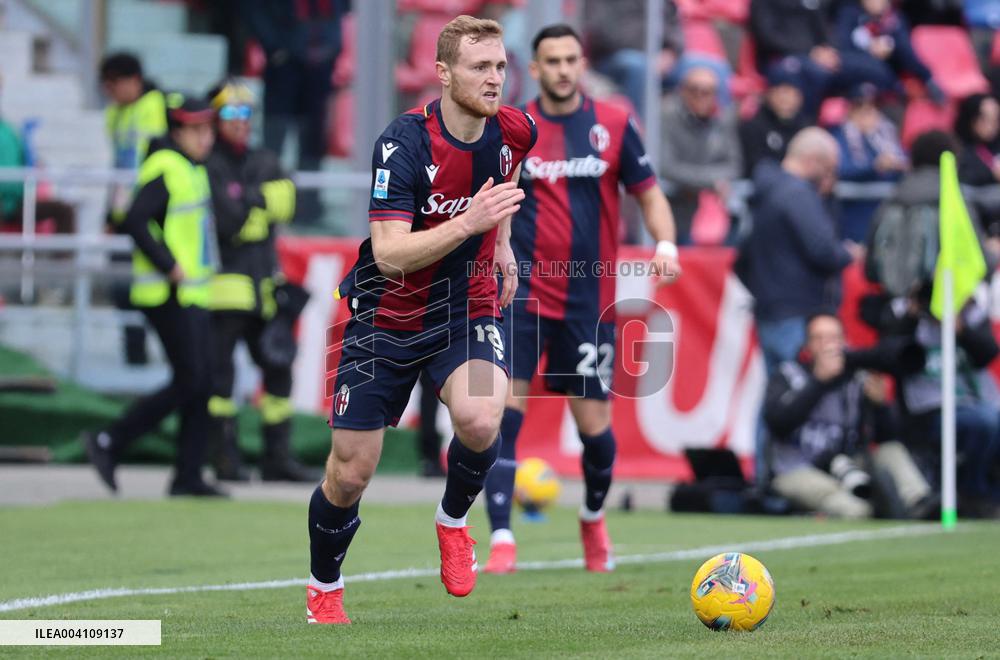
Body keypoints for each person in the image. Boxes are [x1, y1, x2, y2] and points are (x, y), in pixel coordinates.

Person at [305, 16, 537, 624]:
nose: (494, 80)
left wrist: (503, 241)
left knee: (482, 417)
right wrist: (470, 223)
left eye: (500, 67)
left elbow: (506, 175)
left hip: (468, 307)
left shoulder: (516, 130)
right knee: (350, 471)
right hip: (388, 314)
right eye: (480, 67)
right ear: (442, 74)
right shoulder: (402, 143)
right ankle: (324, 585)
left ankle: (454, 521)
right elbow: (388, 252)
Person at [481, 24, 681, 575]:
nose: (564, 69)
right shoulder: (512, 127)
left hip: (589, 301)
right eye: (553, 60)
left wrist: (664, 242)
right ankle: (501, 537)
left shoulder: (614, 122)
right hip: (519, 294)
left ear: (582, 62)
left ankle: (593, 517)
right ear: (537, 67)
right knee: (501, 414)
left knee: (595, 430)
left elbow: (650, 195)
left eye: (572, 59)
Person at [84, 95, 223, 497]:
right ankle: (111, 439)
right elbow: (135, 219)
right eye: (196, 130)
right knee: (191, 379)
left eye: (207, 129)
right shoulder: (166, 165)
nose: (205, 138)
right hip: (168, 292)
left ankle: (188, 474)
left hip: (191, 293)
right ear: (177, 132)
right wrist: (169, 265)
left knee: (201, 381)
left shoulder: (189, 168)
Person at [202, 80, 318, 483]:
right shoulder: (209, 163)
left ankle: (276, 458)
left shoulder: (264, 158)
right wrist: (257, 205)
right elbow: (230, 225)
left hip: (265, 290)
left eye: (246, 114)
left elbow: (289, 202)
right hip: (222, 291)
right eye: (232, 114)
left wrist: (245, 203)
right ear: (216, 120)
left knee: (278, 371)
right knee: (220, 380)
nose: (241, 122)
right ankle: (223, 457)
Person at [764, 312, 935, 519]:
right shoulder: (788, 374)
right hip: (796, 469)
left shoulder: (855, 379)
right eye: (820, 338)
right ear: (807, 346)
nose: (828, 346)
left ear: (844, 341)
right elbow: (778, 423)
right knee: (857, 510)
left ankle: (920, 502)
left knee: (891, 450)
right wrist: (818, 382)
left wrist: (880, 406)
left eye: (834, 338)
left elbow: (886, 437)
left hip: (845, 466)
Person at [738, 127, 856, 376]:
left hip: (770, 308)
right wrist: (848, 253)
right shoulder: (797, 194)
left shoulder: (768, 189)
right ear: (813, 160)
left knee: (779, 392)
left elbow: (743, 257)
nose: (830, 178)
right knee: (797, 391)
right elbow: (824, 250)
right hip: (797, 310)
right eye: (829, 168)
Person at [245, 0, 350, 224]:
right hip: (283, 64)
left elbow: (341, 11)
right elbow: (254, 9)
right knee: (275, 136)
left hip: (320, 65)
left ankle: (308, 209)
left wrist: (332, 49)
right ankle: (267, 206)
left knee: (313, 139)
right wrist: (275, 49)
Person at [100, 53, 168, 365]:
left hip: (149, 215)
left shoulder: (155, 106)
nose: (108, 90)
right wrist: (109, 215)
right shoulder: (115, 113)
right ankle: (134, 355)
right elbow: (118, 169)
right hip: (124, 213)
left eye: (113, 82)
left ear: (133, 81)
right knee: (121, 288)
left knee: (150, 291)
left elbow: (146, 169)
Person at [659, 65, 741, 245]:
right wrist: (711, 181)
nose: (700, 96)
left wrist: (695, 179)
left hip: (711, 207)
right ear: (682, 90)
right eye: (694, 89)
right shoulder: (665, 114)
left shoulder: (723, 118)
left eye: (707, 91)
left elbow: (734, 167)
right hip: (672, 206)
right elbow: (665, 166)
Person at [831, 82, 908, 243]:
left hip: (884, 215)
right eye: (860, 108)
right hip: (852, 216)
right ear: (850, 110)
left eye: (872, 107)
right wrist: (874, 167)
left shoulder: (886, 136)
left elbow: (904, 162)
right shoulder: (839, 136)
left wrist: (899, 166)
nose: (868, 114)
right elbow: (839, 169)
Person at [834, 0, 944, 102]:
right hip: (859, 69)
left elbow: (906, 49)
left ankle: (928, 80)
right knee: (863, 79)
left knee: (901, 52)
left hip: (889, 69)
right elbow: (844, 49)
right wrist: (869, 49)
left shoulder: (894, 17)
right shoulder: (849, 14)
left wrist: (889, 44)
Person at [739, 60, 810, 178]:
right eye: (782, 91)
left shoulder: (806, 130)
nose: (787, 98)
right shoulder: (753, 127)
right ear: (769, 93)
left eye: (792, 92)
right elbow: (752, 168)